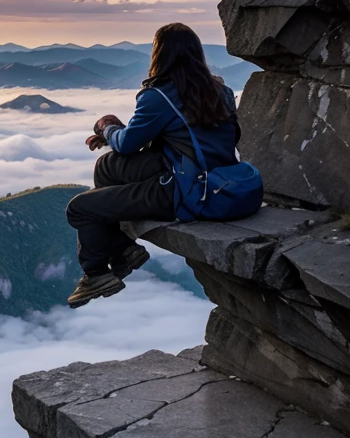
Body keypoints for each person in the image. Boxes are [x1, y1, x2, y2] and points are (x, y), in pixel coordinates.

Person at [65, 22, 241, 309]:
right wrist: (115, 137)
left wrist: (106, 127)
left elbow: (128, 144)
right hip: (216, 175)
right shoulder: (221, 90)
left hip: (185, 189)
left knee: (80, 208)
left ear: (158, 54)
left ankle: (96, 274)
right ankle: (122, 247)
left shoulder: (158, 95)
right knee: (107, 166)